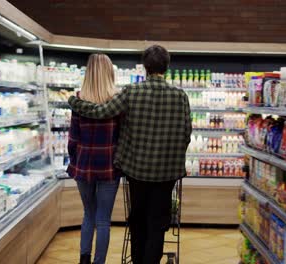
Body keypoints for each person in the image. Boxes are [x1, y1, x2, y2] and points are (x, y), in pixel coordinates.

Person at [68, 45, 192, 264]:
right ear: (167, 67)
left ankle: (136, 260)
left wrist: (74, 101)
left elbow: (100, 112)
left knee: (138, 218)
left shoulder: (131, 92)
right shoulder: (180, 96)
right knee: (158, 221)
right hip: (167, 173)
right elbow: (186, 133)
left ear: (145, 67)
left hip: (137, 171)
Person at [66, 54, 121, 264]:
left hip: (84, 167)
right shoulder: (117, 101)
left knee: (88, 214)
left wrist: (75, 161)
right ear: (110, 73)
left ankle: (84, 259)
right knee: (103, 219)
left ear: (88, 73)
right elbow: (121, 137)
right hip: (108, 167)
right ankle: (99, 261)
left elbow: (73, 139)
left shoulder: (79, 100)